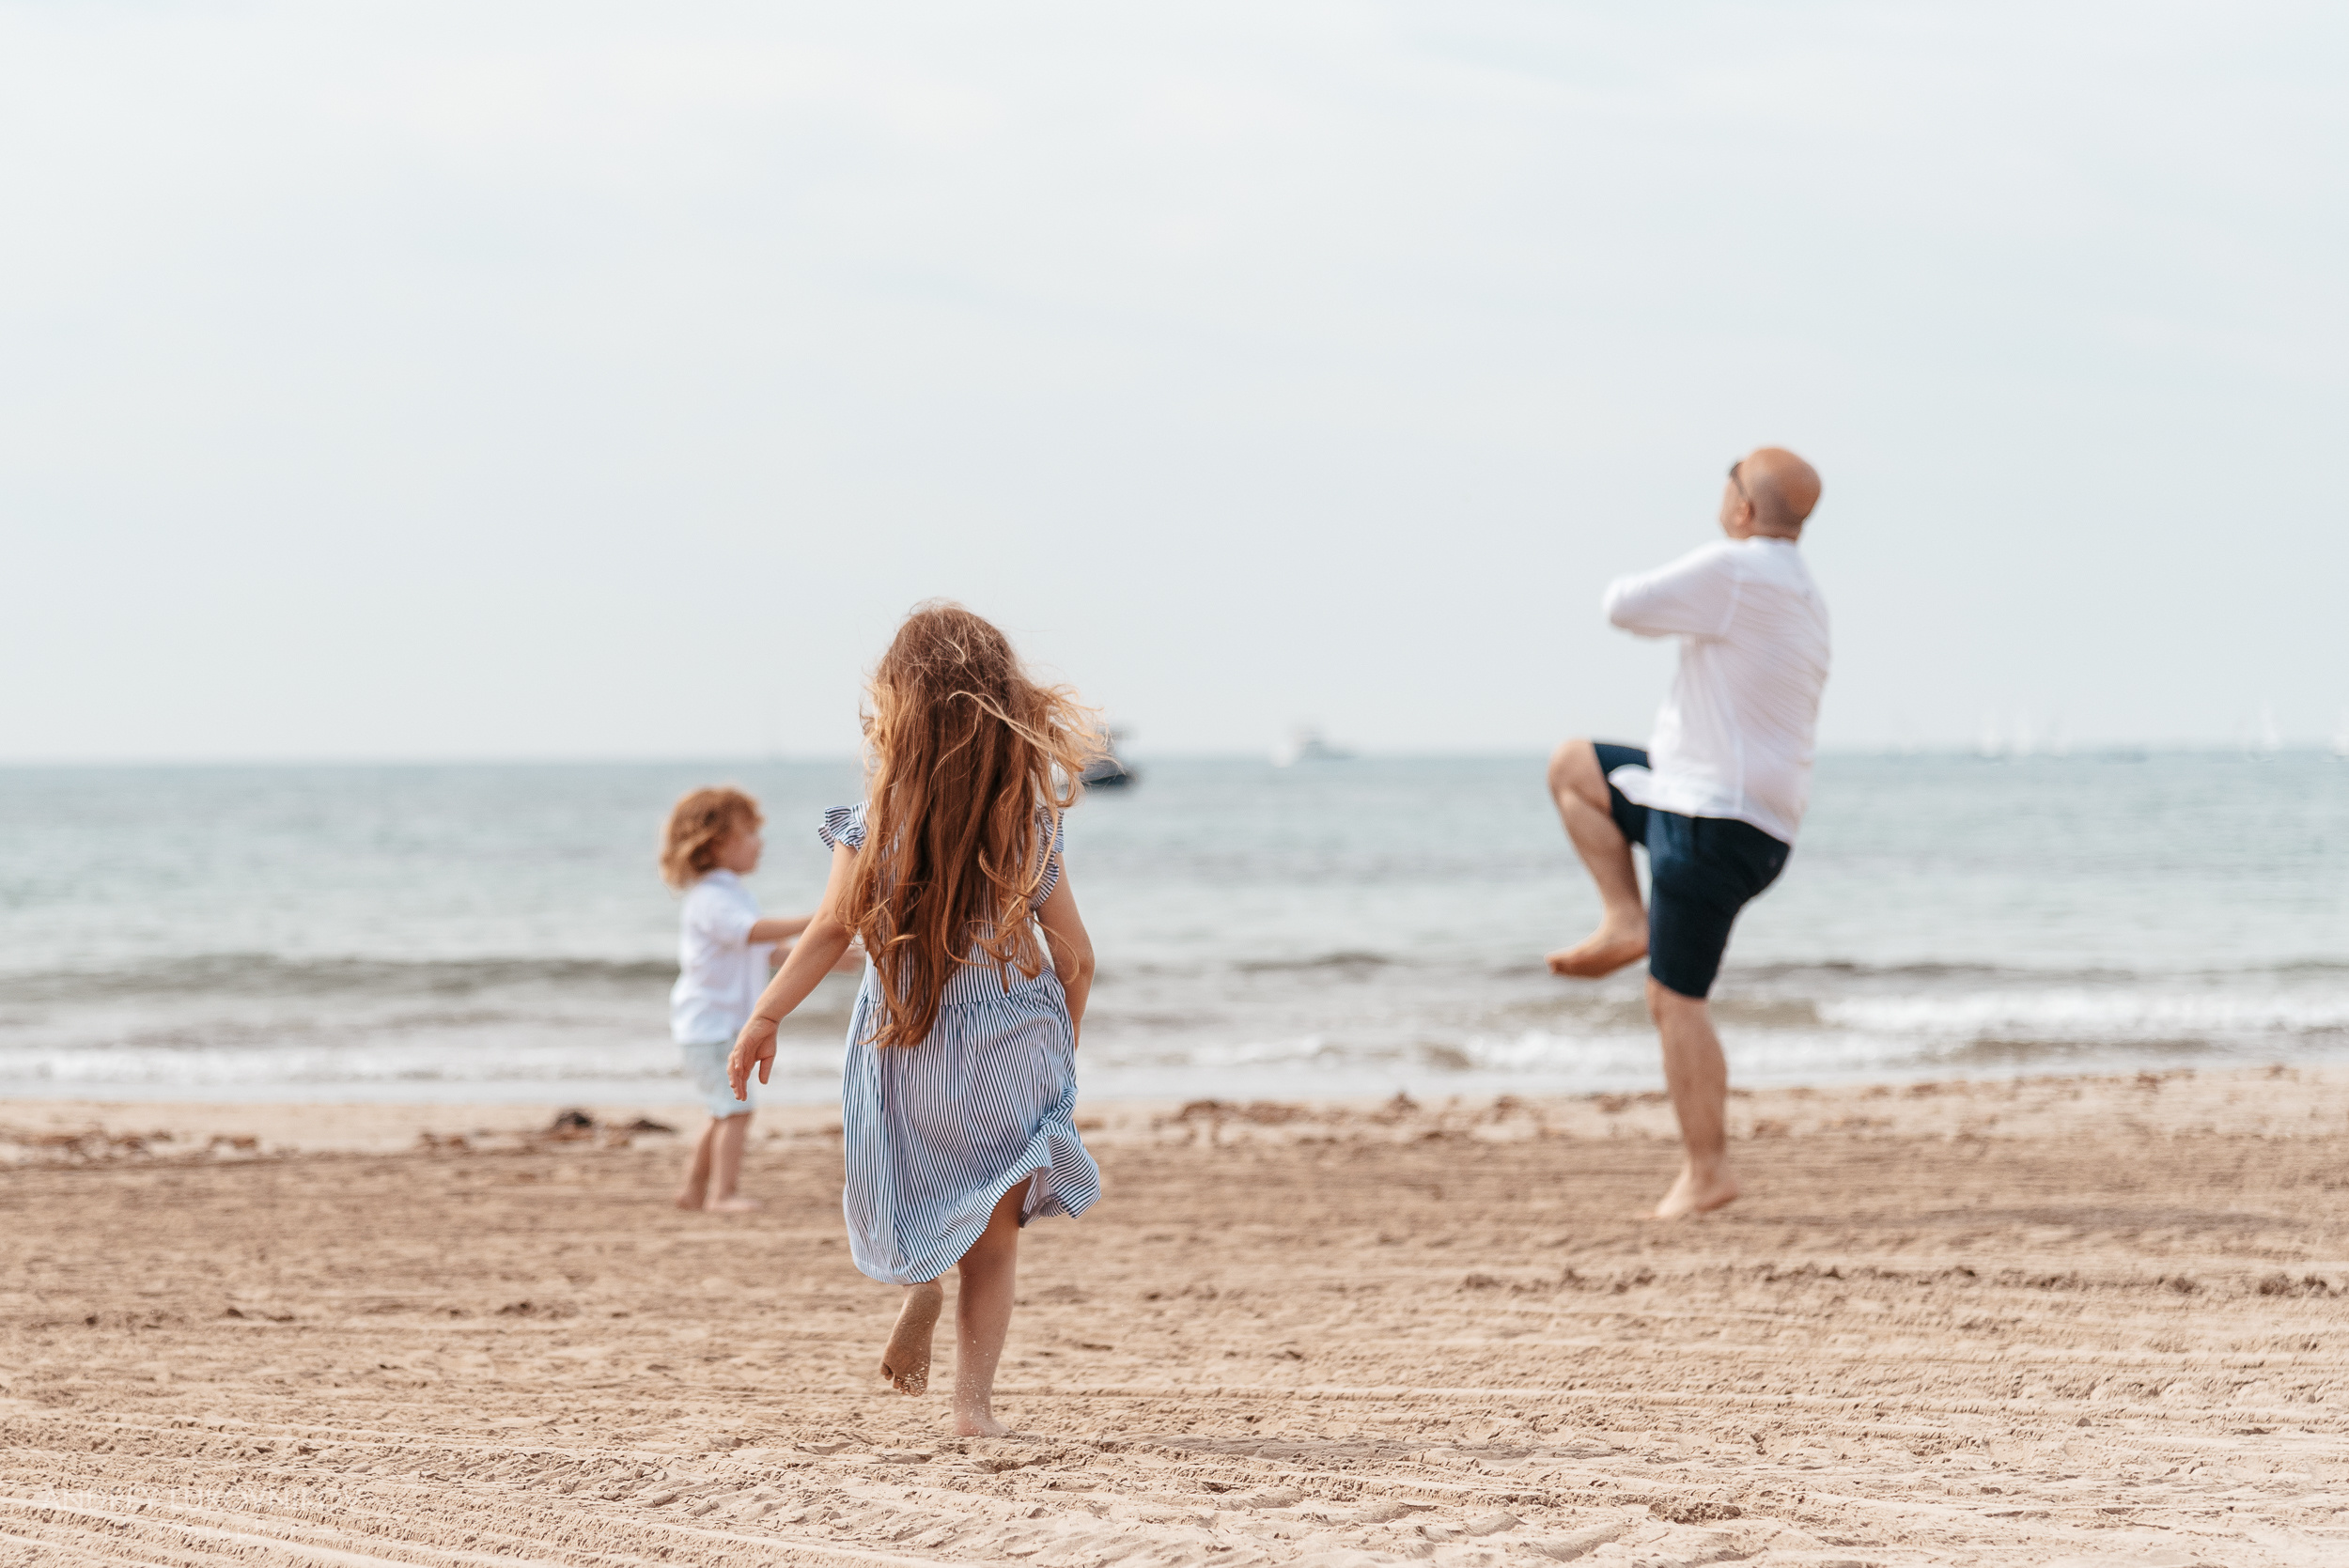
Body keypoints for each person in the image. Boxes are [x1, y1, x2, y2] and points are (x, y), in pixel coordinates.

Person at [730, 601, 1102, 1437]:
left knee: (906, 1181)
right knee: (997, 1233)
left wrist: (764, 1014)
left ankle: (919, 1282)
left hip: (905, 1043)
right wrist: (1061, 1039)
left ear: (898, 708)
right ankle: (974, 1411)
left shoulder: (875, 821)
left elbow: (830, 929)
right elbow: (1074, 952)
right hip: (1009, 1048)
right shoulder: (1026, 824)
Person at [1546, 447, 1830, 1219]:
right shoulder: (1803, 592)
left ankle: (1707, 1171)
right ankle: (1623, 915)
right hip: (1730, 813)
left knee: (1677, 1000)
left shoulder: (1739, 572)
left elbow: (1623, 604)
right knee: (1577, 768)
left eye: (1728, 481)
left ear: (1743, 508)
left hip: (1711, 819)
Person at [660, 786, 815, 1214]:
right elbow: (752, 933)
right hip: (711, 1027)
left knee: (722, 1109)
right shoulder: (712, 897)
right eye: (748, 834)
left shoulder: (731, 894)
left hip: (715, 1026)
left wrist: (826, 955)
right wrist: (820, 921)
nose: (758, 842)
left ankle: (694, 1191)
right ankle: (722, 1194)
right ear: (716, 844)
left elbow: (762, 948)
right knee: (736, 1110)